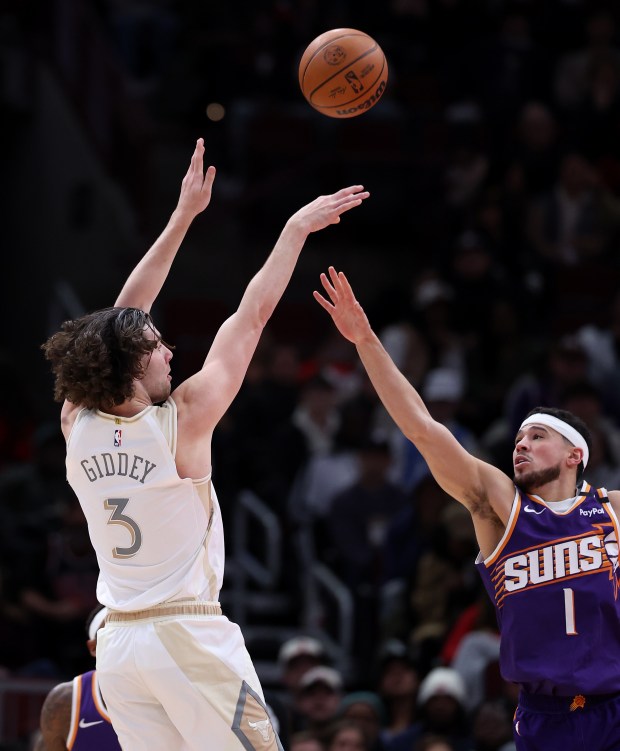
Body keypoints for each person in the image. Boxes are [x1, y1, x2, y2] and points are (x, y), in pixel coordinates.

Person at [41, 139, 369, 751]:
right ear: (136, 362)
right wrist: (295, 230)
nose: (170, 351)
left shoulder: (76, 421)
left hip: (119, 647)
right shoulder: (182, 422)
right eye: (158, 344)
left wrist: (183, 216)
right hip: (185, 636)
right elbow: (251, 318)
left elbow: (119, 319)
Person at [314, 266, 620, 750]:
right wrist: (366, 340)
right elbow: (422, 429)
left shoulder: (613, 512)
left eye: (536, 436)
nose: (520, 445)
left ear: (574, 454)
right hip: (547, 714)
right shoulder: (500, 508)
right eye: (518, 437)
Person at [33, 603, 121, 750]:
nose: (124, 641)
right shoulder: (66, 701)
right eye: (114, 634)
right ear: (93, 648)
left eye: (129, 632)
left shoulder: (168, 688)